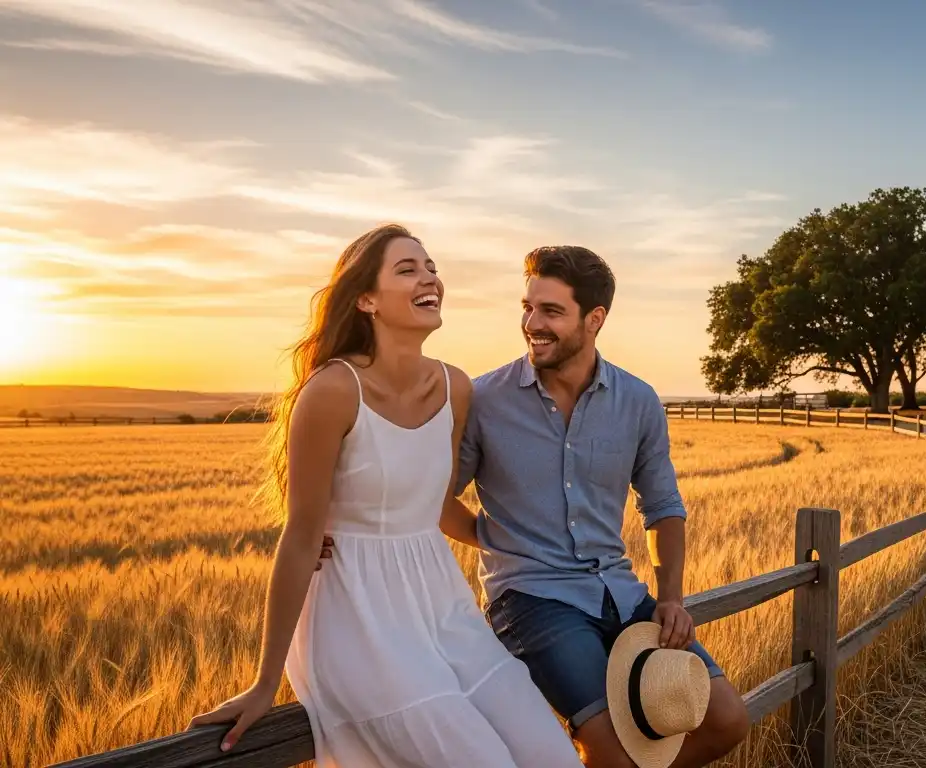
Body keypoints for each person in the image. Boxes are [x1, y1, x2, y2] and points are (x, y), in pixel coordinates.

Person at [323, 245, 751, 767]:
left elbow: (662, 506)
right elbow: (429, 495)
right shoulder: (483, 399)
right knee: (611, 753)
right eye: (527, 307)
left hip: (619, 591)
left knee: (728, 719)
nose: (531, 323)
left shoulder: (637, 401)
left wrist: (672, 597)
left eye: (550, 311)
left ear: (595, 320)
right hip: (531, 599)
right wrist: (487, 536)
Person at [188, 224, 584, 767]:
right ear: (366, 299)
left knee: (554, 759)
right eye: (408, 269)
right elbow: (301, 536)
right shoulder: (331, 391)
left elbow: (436, 505)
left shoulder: (454, 386)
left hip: (441, 607)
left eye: (432, 268)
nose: (430, 278)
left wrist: (516, 542)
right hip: (358, 619)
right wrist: (265, 681)